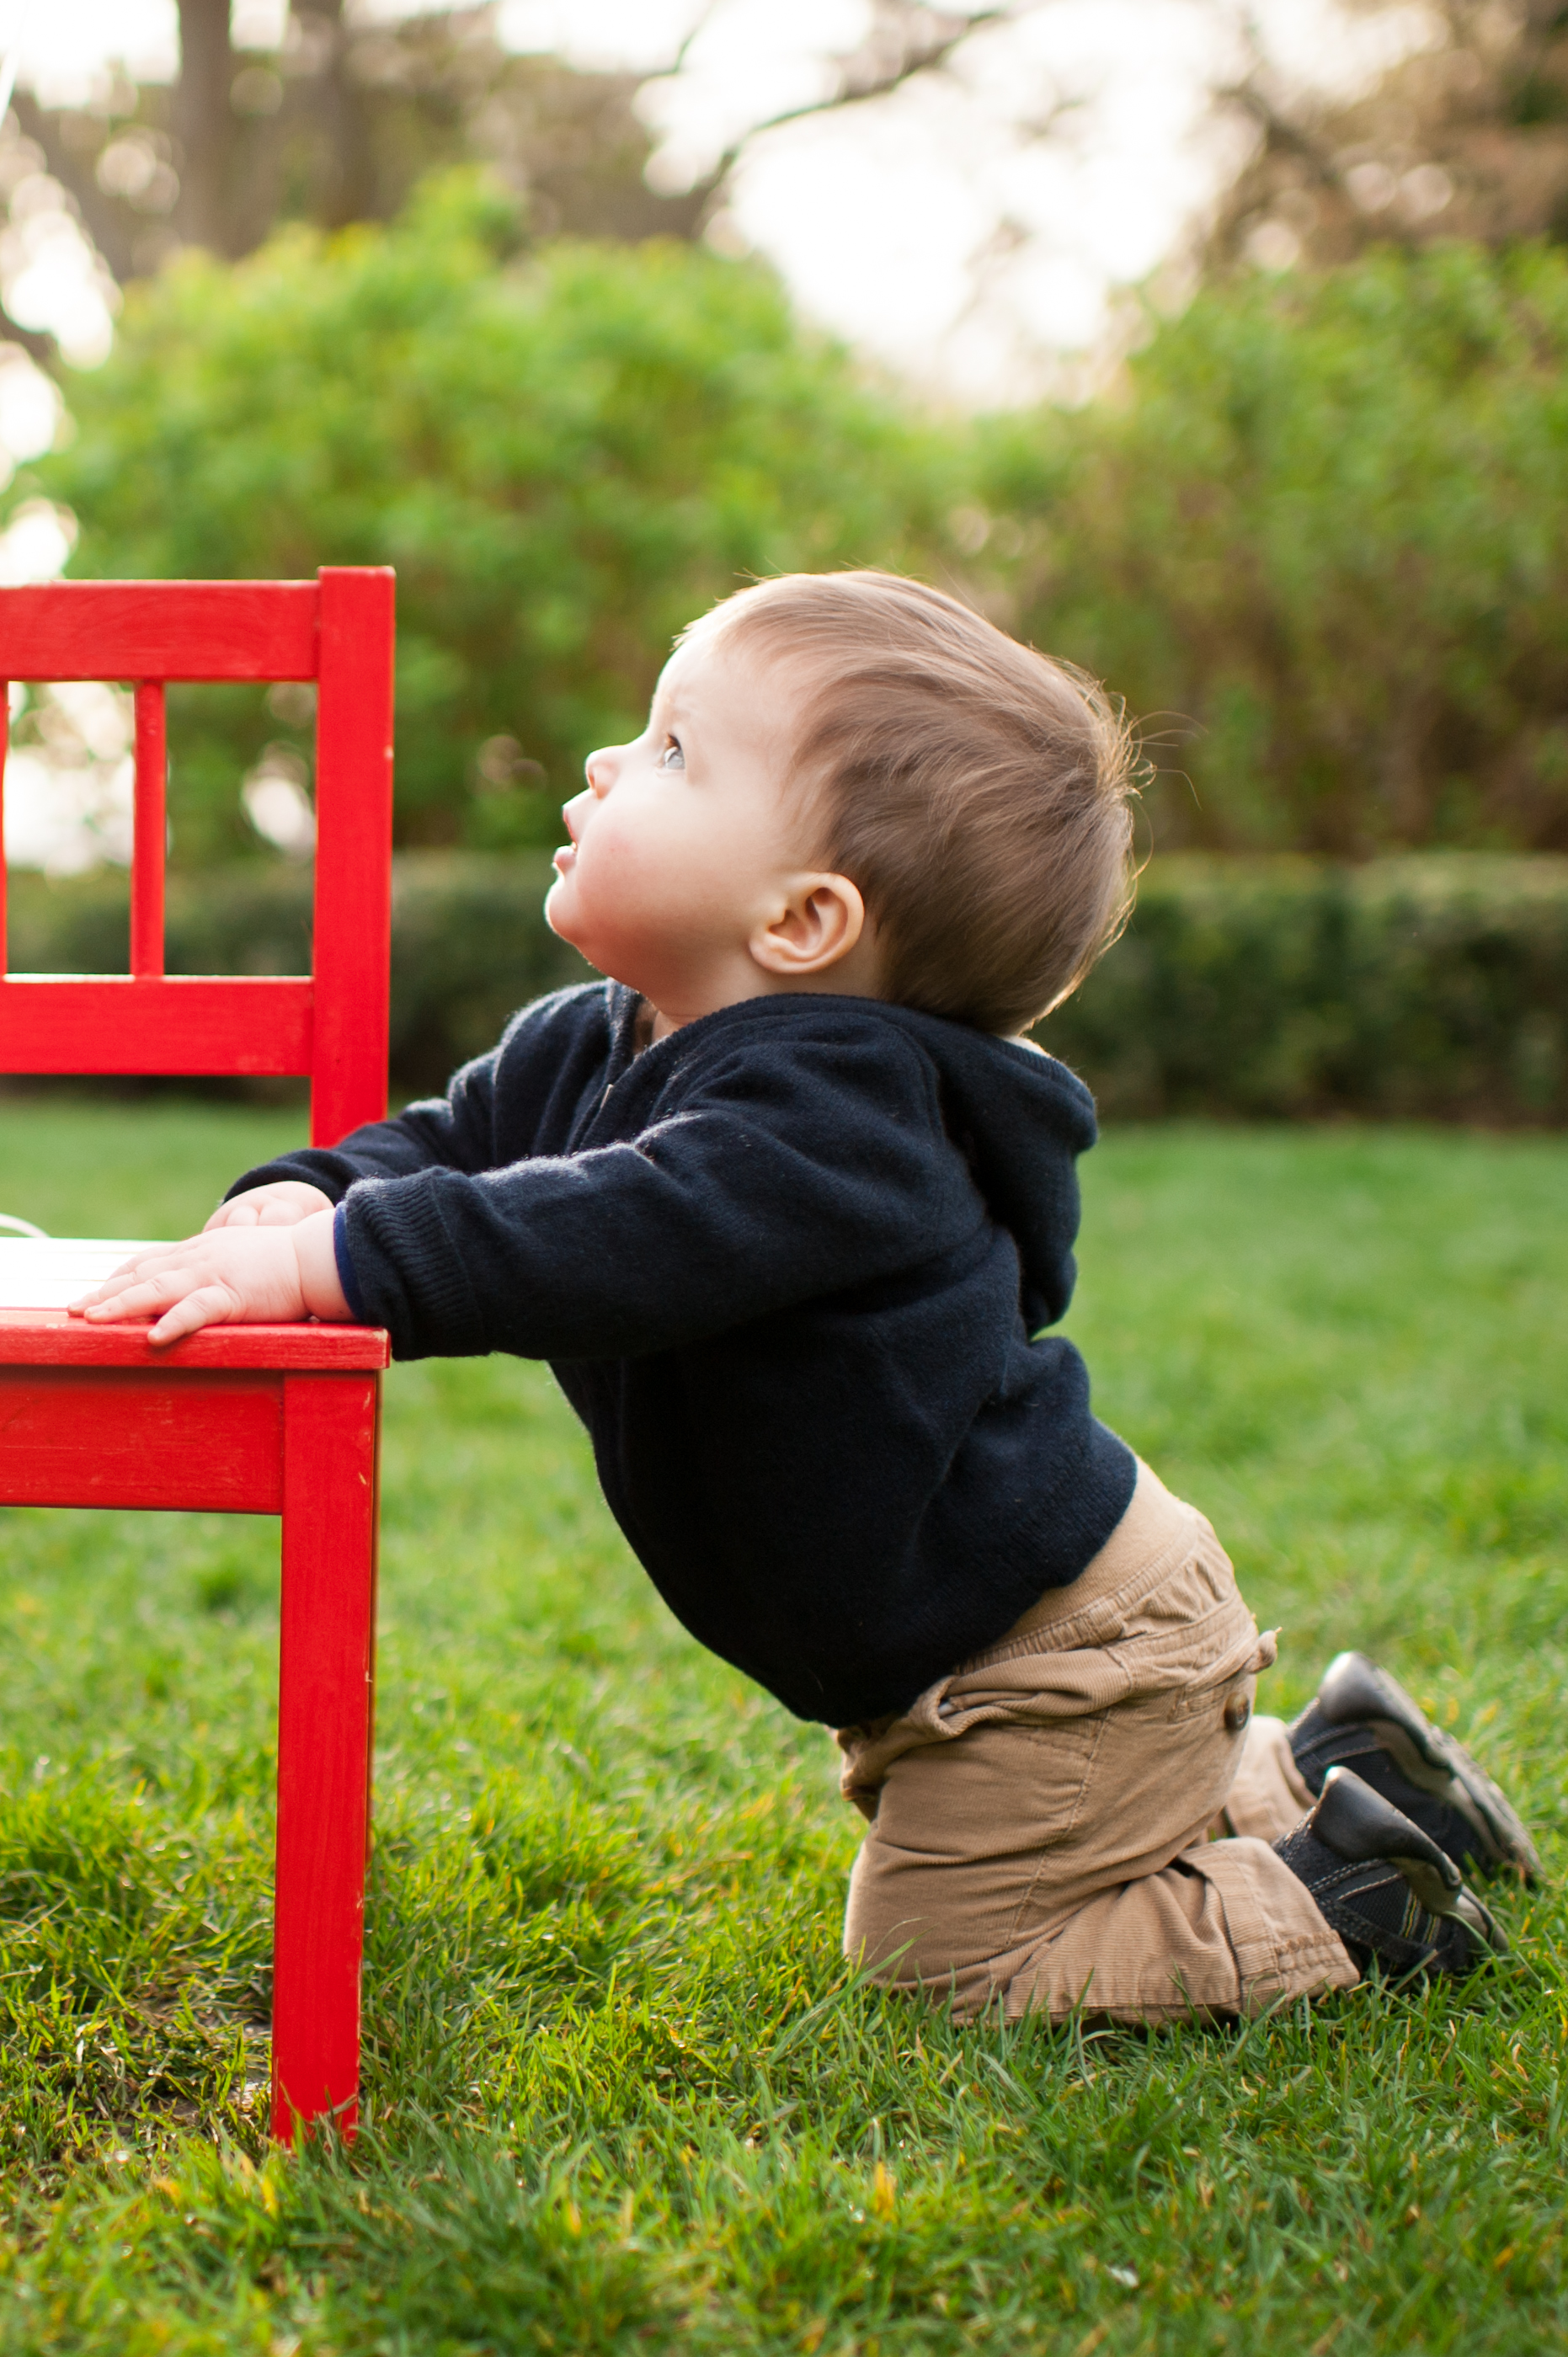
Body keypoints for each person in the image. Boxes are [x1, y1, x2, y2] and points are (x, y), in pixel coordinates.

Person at [72, 571, 1539, 2024]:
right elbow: (447, 1142)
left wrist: (343, 1266)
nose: (602, 761)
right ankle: (1332, 1763)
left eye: (670, 751)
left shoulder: (839, 1124)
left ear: (801, 921)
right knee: (1047, 1854)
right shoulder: (588, 1042)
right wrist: (312, 1193)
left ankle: (1347, 1903)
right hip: (1016, 1651)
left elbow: (623, 1231)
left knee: (945, 1967)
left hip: (1052, 1661)